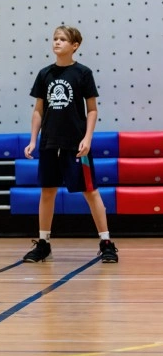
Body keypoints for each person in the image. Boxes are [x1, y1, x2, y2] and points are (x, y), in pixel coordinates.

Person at [22, 25, 118, 264]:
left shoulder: (83, 73)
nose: (56, 42)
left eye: (62, 39)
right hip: (48, 143)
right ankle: (43, 243)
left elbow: (92, 110)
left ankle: (106, 243)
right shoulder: (45, 74)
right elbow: (38, 111)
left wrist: (87, 138)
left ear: (74, 46)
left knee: (90, 191)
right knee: (47, 193)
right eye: (55, 38)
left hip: (76, 145)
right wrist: (33, 140)